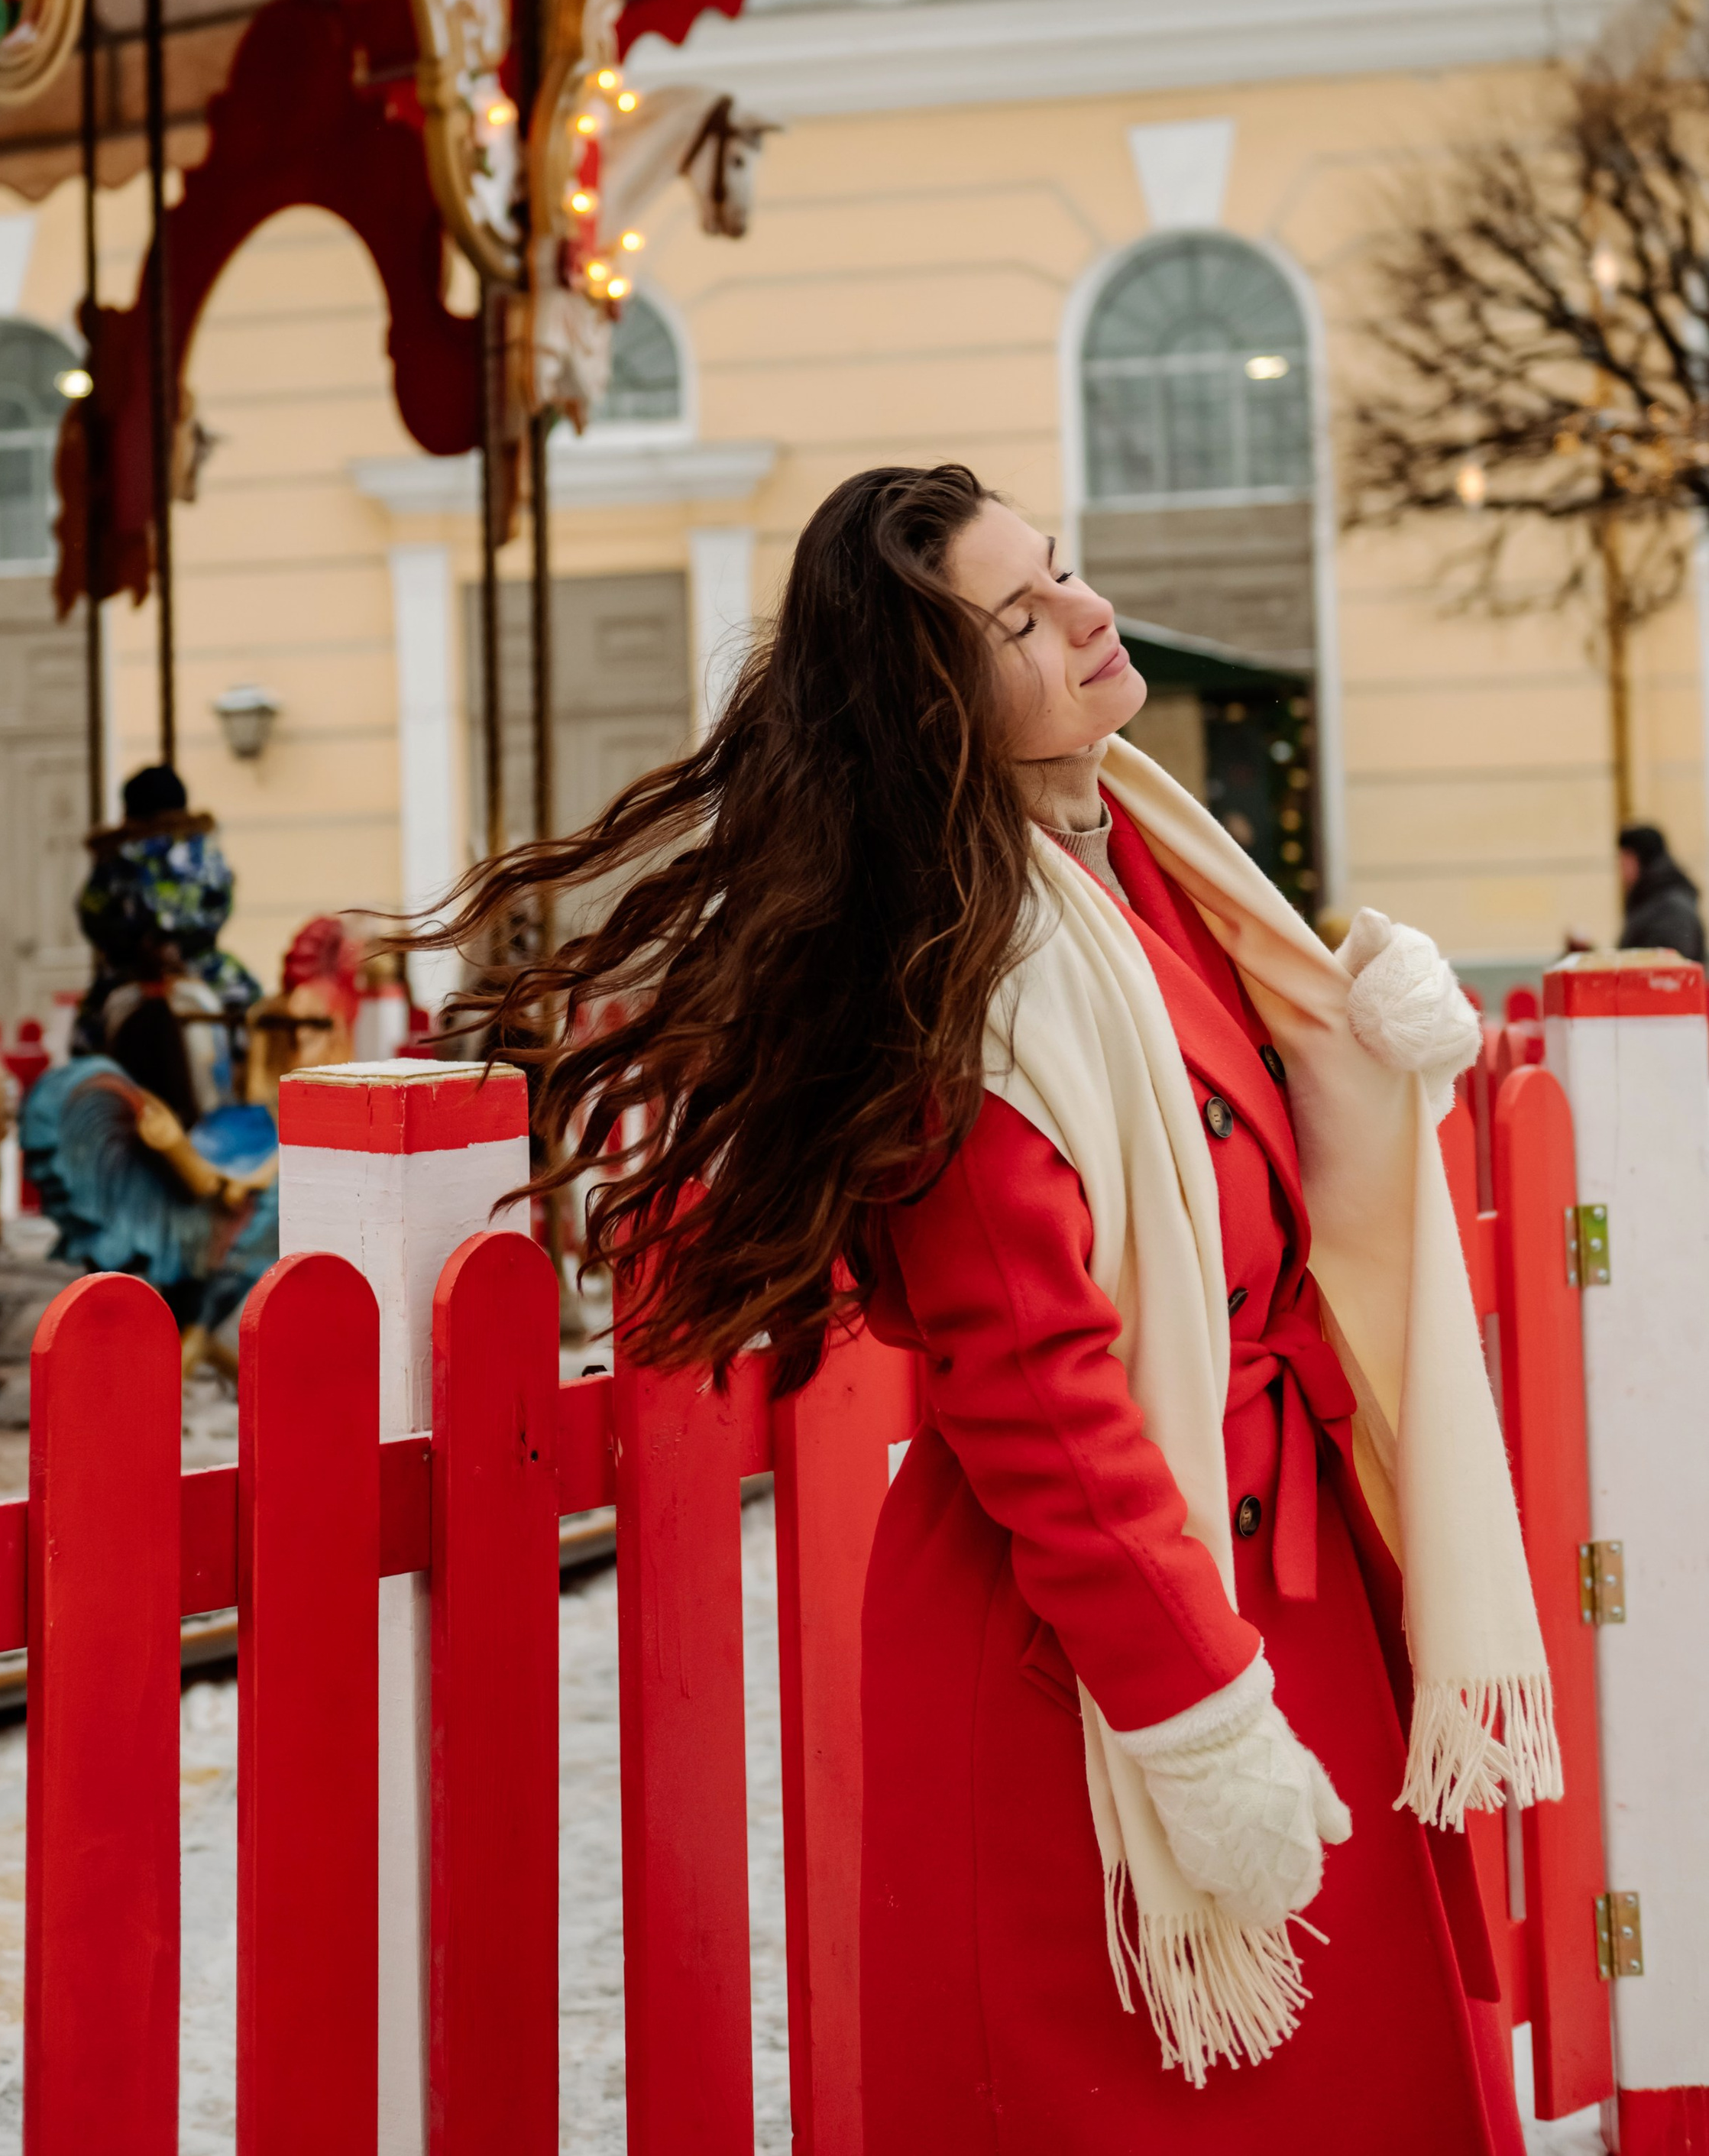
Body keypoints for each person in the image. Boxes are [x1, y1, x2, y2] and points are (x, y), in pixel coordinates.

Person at [425, 464, 1553, 2154]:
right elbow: (1038, 1401)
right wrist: (1197, 1719)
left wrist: (1359, 1057)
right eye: (1020, 617)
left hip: (1267, 1583)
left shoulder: (1145, 859)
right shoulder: (966, 988)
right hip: (1103, 1657)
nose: (1086, 613)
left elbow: (1227, 1162)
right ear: (932, 705)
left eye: (1062, 572)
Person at [1617, 823, 1705, 963]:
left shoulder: (1671, 906)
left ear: (1637, 858)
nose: (1621, 871)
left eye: (1623, 861)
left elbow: (1669, 966)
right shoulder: (1651, 897)